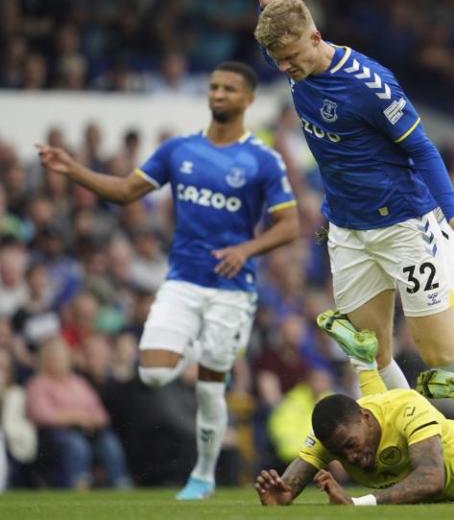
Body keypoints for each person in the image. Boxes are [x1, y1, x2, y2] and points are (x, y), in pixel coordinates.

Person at [36, 61, 301, 499]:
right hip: (182, 281)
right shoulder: (178, 150)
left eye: (229, 89)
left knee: (210, 392)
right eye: (214, 87)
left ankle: (203, 474)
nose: (217, 94)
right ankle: (195, 347)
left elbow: (288, 225)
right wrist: (73, 169)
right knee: (154, 373)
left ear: (248, 99)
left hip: (232, 290)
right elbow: (125, 191)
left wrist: (245, 250)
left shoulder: (263, 160)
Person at [253, 0, 454, 390]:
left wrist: (451, 214)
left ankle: (448, 241)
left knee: (439, 354)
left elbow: (422, 148)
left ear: (316, 38)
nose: (284, 69)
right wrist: (270, 4)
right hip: (346, 228)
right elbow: (279, 33)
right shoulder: (292, 50)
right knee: (369, 353)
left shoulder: (369, 85)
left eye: (291, 58)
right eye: (278, 60)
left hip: (403, 224)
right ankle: (416, 432)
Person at [254, 327, 454, 505]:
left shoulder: (408, 407)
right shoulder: (336, 433)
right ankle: (364, 361)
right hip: (387, 419)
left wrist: (359, 503)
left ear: (364, 420)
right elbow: (288, 489)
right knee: (382, 412)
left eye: (350, 445)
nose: (350, 457)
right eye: (340, 452)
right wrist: (278, 495)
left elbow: (430, 478)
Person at [25, 338, 130, 489]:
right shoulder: (38, 384)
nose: (58, 361)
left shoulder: (79, 383)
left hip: (88, 431)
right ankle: (79, 483)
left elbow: (100, 413)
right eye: (53, 357)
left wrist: (91, 420)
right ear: (44, 360)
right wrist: (77, 418)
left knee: (109, 443)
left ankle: (119, 482)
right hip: (54, 434)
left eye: (61, 357)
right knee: (75, 444)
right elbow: (42, 415)